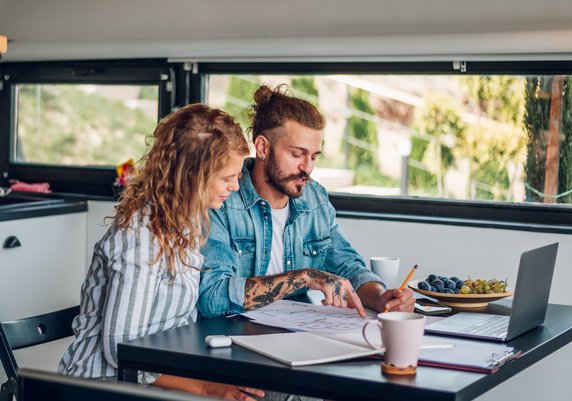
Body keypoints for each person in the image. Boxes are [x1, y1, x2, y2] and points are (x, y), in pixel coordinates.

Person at [58, 103, 266, 401]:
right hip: (100, 387)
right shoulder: (141, 237)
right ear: (193, 175)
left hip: (154, 380)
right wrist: (207, 388)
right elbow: (122, 351)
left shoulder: (187, 223)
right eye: (227, 177)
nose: (235, 186)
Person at [198, 85, 415, 318]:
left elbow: (349, 268)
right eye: (297, 154)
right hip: (233, 337)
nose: (307, 167)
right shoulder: (223, 199)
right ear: (263, 147)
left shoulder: (315, 199)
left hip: (297, 334)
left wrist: (382, 297)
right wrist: (303, 277)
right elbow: (212, 296)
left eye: (313, 156)